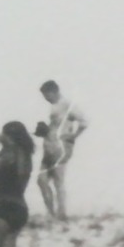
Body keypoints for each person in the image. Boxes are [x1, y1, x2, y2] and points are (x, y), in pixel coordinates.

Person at [36, 80, 88, 221]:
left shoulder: (67, 105)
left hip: (61, 148)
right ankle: (51, 213)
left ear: (53, 91)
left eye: (46, 95)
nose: (45, 98)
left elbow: (84, 122)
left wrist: (72, 136)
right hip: (49, 146)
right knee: (41, 180)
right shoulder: (55, 106)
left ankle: (61, 213)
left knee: (58, 181)